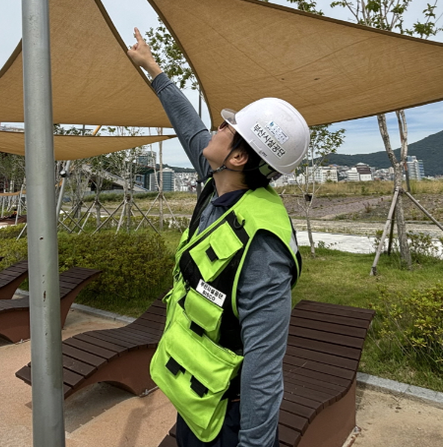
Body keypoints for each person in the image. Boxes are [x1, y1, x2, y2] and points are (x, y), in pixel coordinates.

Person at [127, 28, 310, 447]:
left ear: (239, 157)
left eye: (227, 127)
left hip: (230, 419)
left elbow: (265, 366)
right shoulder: (219, 180)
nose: (216, 128)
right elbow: (189, 127)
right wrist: (153, 69)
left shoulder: (264, 246)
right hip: (196, 391)